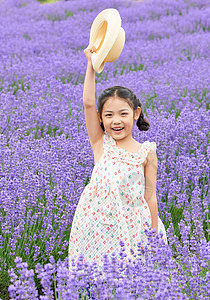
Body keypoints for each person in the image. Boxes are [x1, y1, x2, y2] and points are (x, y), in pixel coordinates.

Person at [68, 44, 168, 277]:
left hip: (132, 226)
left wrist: (153, 234)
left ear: (135, 113)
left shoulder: (146, 152)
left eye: (123, 113)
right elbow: (88, 103)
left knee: (132, 277)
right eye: (109, 115)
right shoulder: (101, 144)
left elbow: (150, 195)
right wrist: (91, 65)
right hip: (97, 226)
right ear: (101, 119)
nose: (116, 121)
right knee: (93, 276)